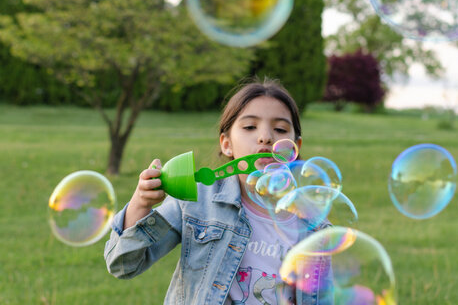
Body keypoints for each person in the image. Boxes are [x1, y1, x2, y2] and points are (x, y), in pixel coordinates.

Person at [104, 78, 327, 305]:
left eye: (280, 129)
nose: (266, 137)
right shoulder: (197, 200)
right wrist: (140, 204)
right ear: (226, 144)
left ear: (295, 147)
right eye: (250, 126)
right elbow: (124, 264)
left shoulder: (313, 226)